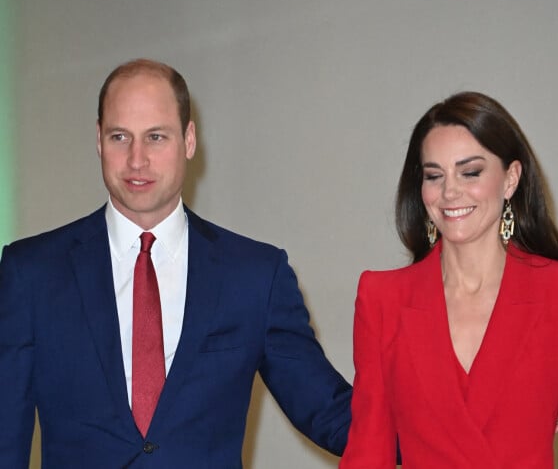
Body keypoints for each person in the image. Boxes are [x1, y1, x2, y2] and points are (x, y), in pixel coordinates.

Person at [0, 59, 352, 468]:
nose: (136, 159)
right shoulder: (32, 273)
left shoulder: (255, 275)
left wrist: (436, 417)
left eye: (155, 137)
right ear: (98, 140)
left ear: (188, 140)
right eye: (119, 137)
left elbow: (328, 412)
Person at [340, 91, 558, 468]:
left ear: (511, 179)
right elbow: (368, 451)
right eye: (434, 175)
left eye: (470, 172)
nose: (450, 191)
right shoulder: (382, 297)